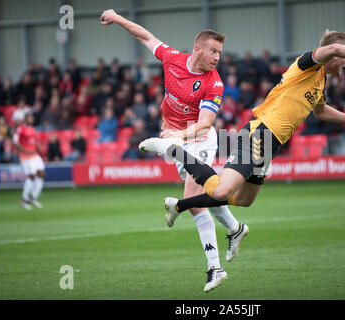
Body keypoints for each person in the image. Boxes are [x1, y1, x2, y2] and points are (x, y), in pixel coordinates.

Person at [140, 29, 345, 245]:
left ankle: (178, 205)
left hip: (272, 145)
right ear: (335, 54)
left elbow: (321, 111)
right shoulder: (308, 64)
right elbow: (335, 46)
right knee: (222, 191)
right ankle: (172, 148)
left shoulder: (319, 82)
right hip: (259, 133)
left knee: (243, 200)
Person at [100, 9, 246, 292]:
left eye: (220, 53)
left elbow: (206, 124)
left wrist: (178, 134)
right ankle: (235, 228)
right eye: (213, 51)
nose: (218, 58)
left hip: (199, 141)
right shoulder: (171, 58)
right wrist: (117, 18)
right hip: (176, 140)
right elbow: (145, 35)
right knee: (210, 194)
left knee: (194, 202)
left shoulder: (213, 82)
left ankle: (214, 268)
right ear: (197, 49)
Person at [13, 113, 45, 210]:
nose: (31, 118)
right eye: (29, 117)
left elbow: (34, 141)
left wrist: (39, 146)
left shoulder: (32, 129)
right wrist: (24, 150)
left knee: (41, 174)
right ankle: (24, 199)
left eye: (32, 117)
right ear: (25, 119)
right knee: (32, 176)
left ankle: (33, 198)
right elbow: (15, 142)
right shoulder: (20, 129)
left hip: (34, 154)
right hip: (26, 156)